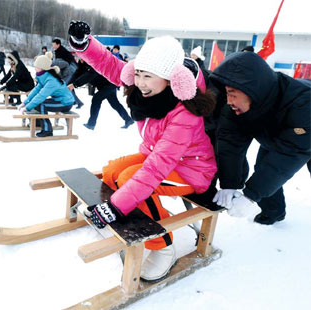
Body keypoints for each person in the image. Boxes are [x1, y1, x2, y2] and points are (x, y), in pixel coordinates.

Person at [68, 21, 216, 281]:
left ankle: (163, 247)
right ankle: (132, 221)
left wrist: (116, 205)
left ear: (172, 79)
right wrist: (85, 45)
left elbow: (157, 168)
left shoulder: (185, 111)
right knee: (112, 170)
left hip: (190, 169)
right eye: (138, 74)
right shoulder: (144, 88)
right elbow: (112, 66)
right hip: (157, 155)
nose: (140, 83)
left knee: (128, 181)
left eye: (148, 77)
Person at [209, 52, 310, 224]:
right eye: (227, 93)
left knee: (274, 169)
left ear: (253, 90)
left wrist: (251, 195)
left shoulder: (303, 103)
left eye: (232, 93)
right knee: (264, 168)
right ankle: (274, 211)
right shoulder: (235, 108)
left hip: (304, 131)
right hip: (277, 132)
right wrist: (229, 183)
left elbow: (289, 154)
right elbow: (230, 145)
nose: (229, 100)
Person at [17, 53, 75, 137]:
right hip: (58, 100)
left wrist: (27, 108)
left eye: (36, 66)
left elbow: (41, 95)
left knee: (41, 104)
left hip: (65, 103)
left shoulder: (51, 80)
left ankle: (47, 130)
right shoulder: (44, 77)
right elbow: (36, 90)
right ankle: (38, 123)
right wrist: (25, 103)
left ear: (41, 68)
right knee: (38, 103)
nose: (34, 68)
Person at [67, 58, 134, 130]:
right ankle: (128, 120)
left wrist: (75, 84)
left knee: (96, 99)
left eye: (83, 57)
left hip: (110, 83)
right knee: (114, 103)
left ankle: (91, 124)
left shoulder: (93, 61)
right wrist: (68, 83)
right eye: (80, 57)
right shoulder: (82, 63)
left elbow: (90, 75)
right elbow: (78, 73)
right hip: (103, 85)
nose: (81, 59)